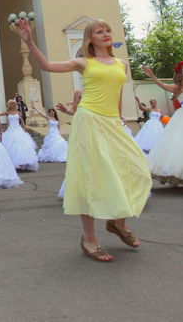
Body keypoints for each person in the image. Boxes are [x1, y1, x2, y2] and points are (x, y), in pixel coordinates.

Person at [18, 18, 151, 263]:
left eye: (108, 30)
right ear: (90, 39)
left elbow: (118, 95)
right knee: (90, 178)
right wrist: (29, 42)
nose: (106, 34)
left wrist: (120, 120)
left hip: (112, 122)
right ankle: (90, 240)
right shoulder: (84, 62)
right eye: (99, 31)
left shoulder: (121, 64)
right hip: (89, 120)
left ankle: (118, 222)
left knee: (136, 170)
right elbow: (47, 66)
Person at [1, 100, 39, 171]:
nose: (13, 105)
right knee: (12, 146)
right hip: (11, 130)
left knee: (23, 145)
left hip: (19, 129)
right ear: (9, 105)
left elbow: (22, 121)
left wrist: (24, 128)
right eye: (12, 104)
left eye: (14, 104)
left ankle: (25, 162)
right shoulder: (7, 112)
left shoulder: (18, 113)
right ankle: (14, 164)